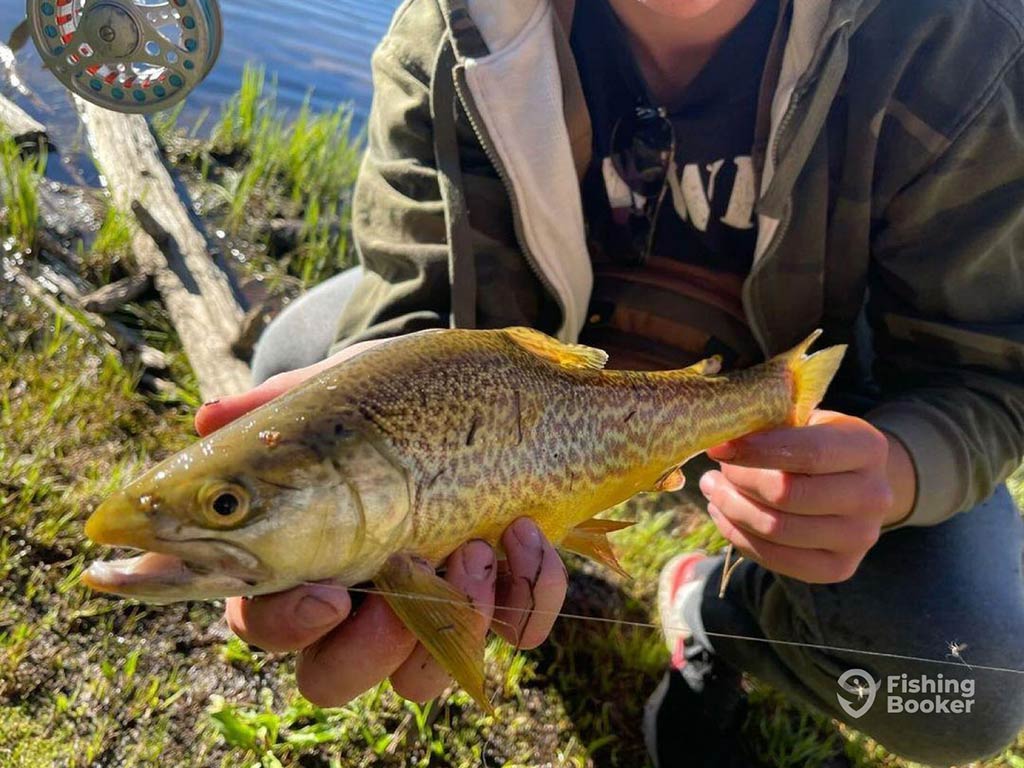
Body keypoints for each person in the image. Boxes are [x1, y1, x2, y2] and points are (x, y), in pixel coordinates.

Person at [197, 0, 1024, 764]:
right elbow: (418, 308)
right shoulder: (449, 31)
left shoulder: (955, 43)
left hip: (796, 421)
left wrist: (899, 471)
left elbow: (987, 373)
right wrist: (378, 403)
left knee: (969, 694)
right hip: (544, 426)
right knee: (291, 374)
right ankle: (527, 557)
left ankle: (717, 615)